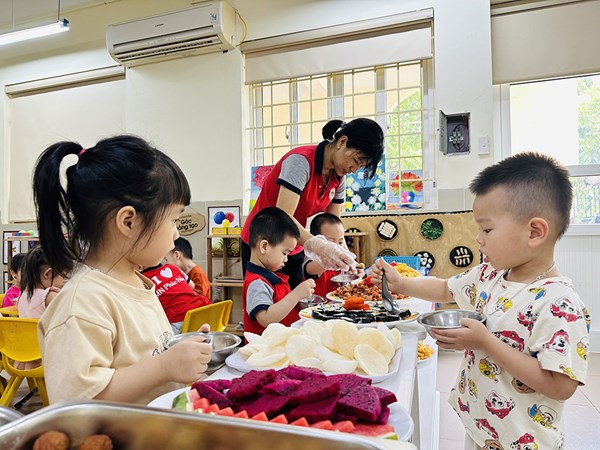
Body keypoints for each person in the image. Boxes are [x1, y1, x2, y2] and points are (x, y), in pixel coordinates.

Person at [371, 152, 590, 449]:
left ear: (534, 232)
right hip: (482, 426)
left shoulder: (558, 303)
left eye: (487, 229)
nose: (478, 238)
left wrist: (486, 343)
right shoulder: (490, 274)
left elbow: (561, 386)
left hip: (523, 440)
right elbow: (445, 289)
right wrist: (401, 283)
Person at [33, 135, 212, 405]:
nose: (176, 233)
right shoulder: (81, 302)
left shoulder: (136, 282)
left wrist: (184, 349)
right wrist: (164, 367)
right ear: (128, 221)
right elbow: (76, 401)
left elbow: (142, 356)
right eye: (173, 219)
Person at [241, 118, 384, 288]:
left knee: (296, 298)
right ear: (342, 142)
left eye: (360, 166)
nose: (354, 170)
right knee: (267, 299)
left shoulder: (338, 178)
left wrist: (347, 260)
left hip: (293, 242)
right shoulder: (300, 162)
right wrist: (319, 246)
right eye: (356, 160)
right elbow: (282, 217)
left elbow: (333, 225)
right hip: (264, 243)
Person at [243, 207, 316, 335]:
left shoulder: (273, 275)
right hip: (266, 345)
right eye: (284, 253)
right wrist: (296, 294)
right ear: (264, 246)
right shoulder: (257, 282)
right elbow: (265, 318)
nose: (286, 259)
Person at [304, 213, 365, 297]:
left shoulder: (341, 258)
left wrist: (355, 271)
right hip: (319, 303)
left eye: (340, 242)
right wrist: (328, 262)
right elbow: (309, 269)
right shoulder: (313, 259)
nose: (336, 247)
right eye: (331, 243)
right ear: (318, 242)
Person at [142, 262, 212, 334]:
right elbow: (192, 286)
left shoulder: (142, 280)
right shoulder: (172, 267)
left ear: (139, 266)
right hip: (205, 309)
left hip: (178, 319)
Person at [17, 246, 63, 318]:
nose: (63, 279)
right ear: (48, 274)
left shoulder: (22, 297)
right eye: (63, 275)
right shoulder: (49, 296)